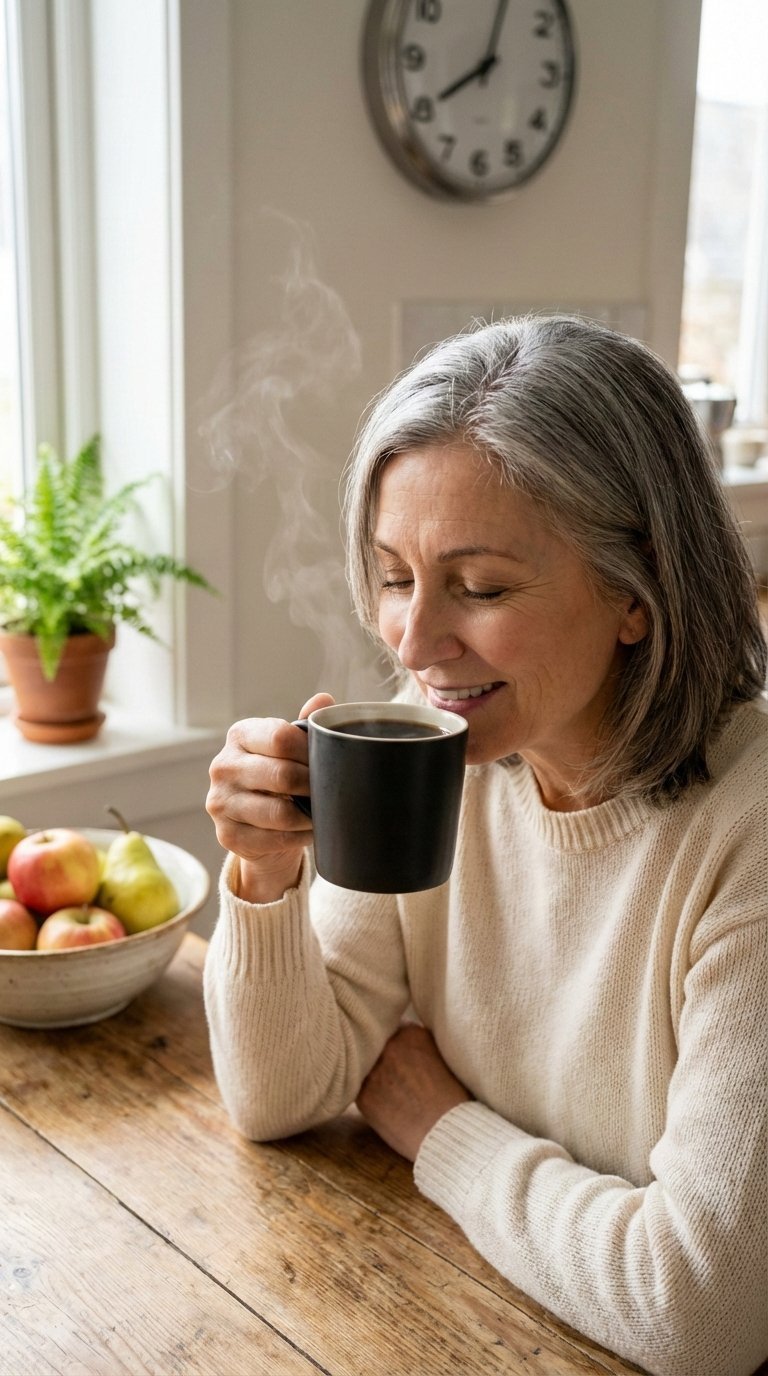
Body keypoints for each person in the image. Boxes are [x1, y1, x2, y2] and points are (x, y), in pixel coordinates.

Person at [204, 314, 767, 1376]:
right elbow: (283, 1096)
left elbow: (701, 1309)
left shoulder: (750, 834)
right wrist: (265, 876)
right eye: (394, 574)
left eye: (484, 586)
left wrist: (444, 1131)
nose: (414, 645)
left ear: (635, 593)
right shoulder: (441, 759)